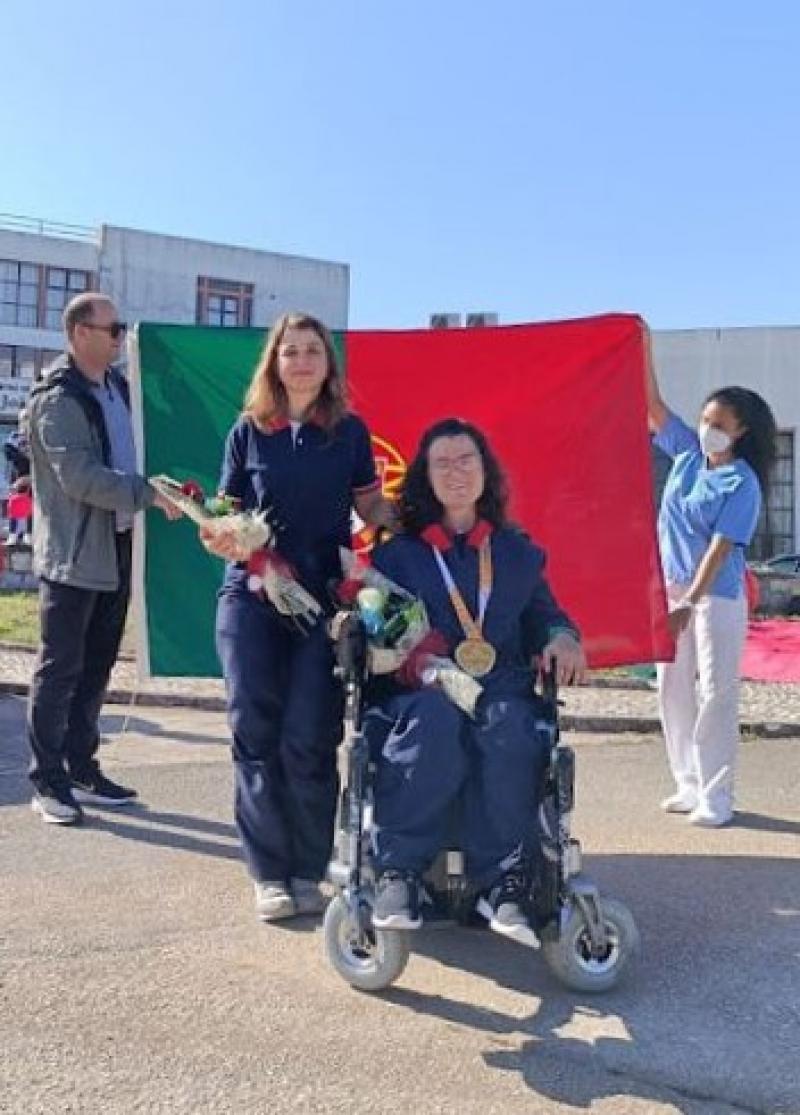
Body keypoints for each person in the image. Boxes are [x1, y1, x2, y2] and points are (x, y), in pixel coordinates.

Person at [202, 311, 395, 923]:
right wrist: (216, 532)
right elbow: (224, 510)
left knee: (310, 735)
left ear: (327, 365)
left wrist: (426, 508)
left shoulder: (350, 432)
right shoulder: (248, 430)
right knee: (254, 733)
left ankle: (310, 869)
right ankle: (269, 875)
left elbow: (369, 507)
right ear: (274, 361)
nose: (303, 360)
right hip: (251, 597)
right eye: (292, 351)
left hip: (319, 603)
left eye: (314, 350)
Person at [362, 417, 587, 933]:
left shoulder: (518, 553)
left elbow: (545, 616)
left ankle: (503, 883)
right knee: (434, 719)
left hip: (499, 687)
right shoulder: (398, 555)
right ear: (426, 476)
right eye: (442, 463)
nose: (456, 472)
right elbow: (378, 632)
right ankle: (399, 872)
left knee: (510, 726)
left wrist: (562, 637)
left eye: (467, 460)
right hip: (419, 691)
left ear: (486, 470)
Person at [26, 292, 181, 826]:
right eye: (112, 328)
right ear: (79, 333)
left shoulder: (115, 388)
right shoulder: (57, 399)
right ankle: (47, 781)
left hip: (116, 549)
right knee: (60, 669)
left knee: (96, 668)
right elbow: (80, 478)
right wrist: (147, 494)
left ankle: (81, 767)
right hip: (73, 558)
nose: (120, 336)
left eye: (121, 327)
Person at [644, 335, 777, 827]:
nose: (708, 430)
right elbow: (653, 406)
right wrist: (640, 342)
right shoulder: (685, 457)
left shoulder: (742, 482)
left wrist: (690, 601)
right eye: (705, 420)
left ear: (741, 431)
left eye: (719, 425)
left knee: (716, 691)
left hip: (716, 597)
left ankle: (717, 795)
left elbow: (721, 550)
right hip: (674, 590)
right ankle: (687, 783)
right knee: (671, 689)